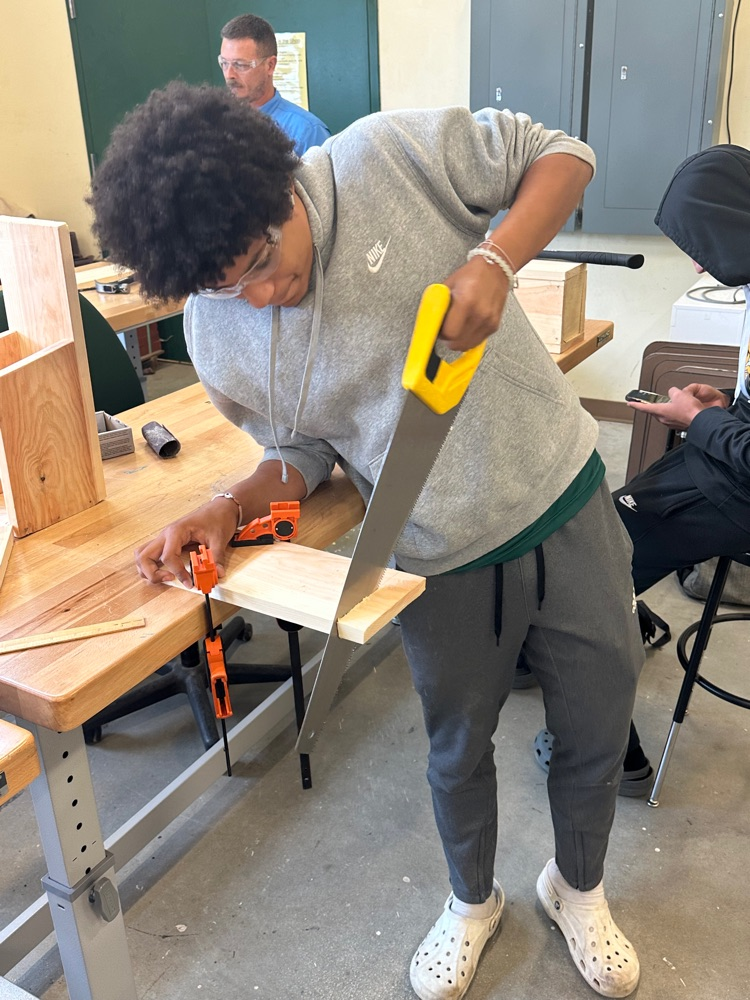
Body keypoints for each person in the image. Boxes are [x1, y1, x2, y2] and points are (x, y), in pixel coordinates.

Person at [88, 81, 644, 1000]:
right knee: (456, 748)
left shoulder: (388, 157)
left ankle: (576, 887)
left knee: (596, 721)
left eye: (263, 258)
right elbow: (303, 448)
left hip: (560, 491)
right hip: (434, 552)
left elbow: (564, 154)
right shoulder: (217, 331)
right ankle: (472, 902)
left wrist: (496, 258)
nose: (263, 294)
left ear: (282, 185)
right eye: (227, 285)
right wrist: (230, 504)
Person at [531, 144, 750, 795]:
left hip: (737, 491)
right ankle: (624, 613)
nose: (697, 263)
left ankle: (601, 752)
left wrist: (699, 422)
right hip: (725, 465)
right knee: (602, 520)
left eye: (701, 244)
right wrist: (723, 407)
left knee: (580, 572)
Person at [219, 13, 330, 156]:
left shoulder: (308, 132)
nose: (229, 74)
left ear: (270, 65)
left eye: (240, 65)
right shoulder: (215, 121)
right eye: (224, 63)